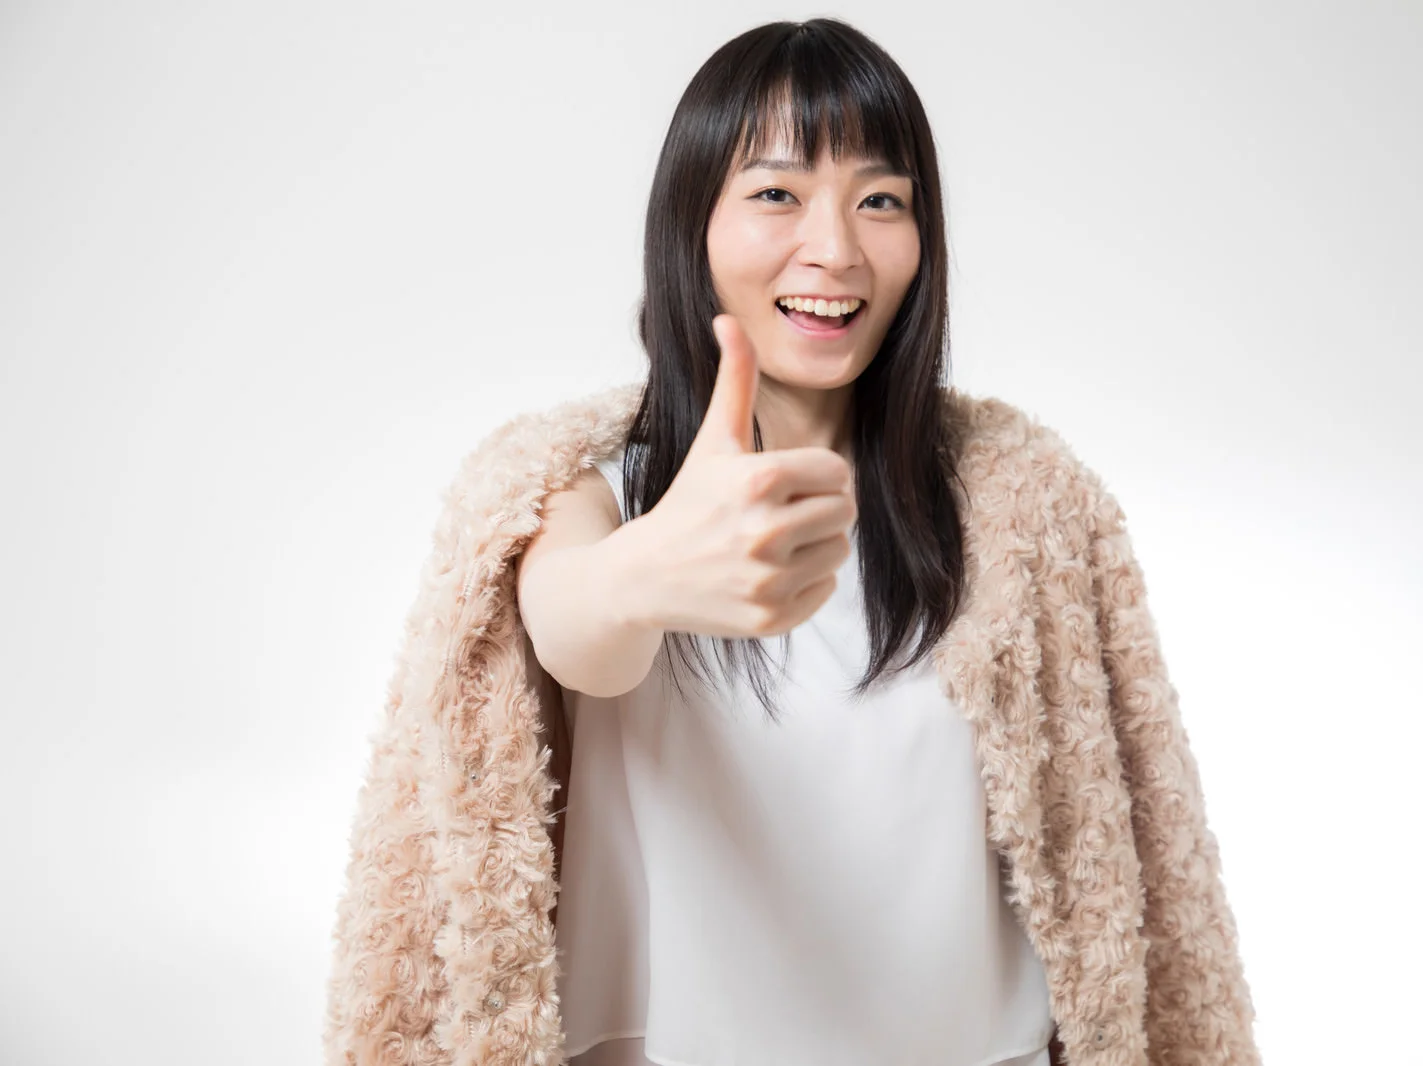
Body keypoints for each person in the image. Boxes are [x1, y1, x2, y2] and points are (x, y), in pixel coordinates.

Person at [323, 18, 1260, 1066]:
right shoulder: (579, 492)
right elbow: (576, 629)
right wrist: (649, 574)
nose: (836, 249)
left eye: (880, 200)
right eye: (776, 193)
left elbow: (1126, 851)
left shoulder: (1023, 511)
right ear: (692, 224)